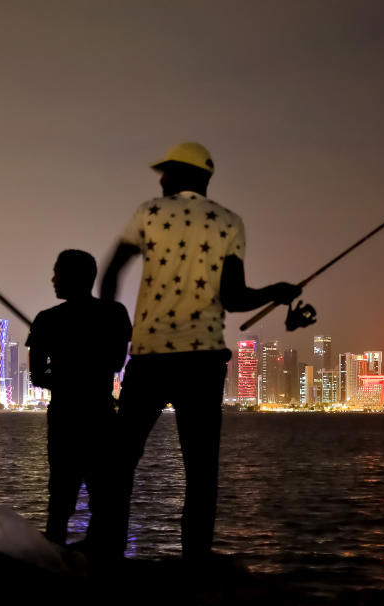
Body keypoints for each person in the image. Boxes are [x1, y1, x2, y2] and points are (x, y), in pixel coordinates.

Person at [99, 142, 311, 560]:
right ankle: (195, 560)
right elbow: (233, 298)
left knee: (119, 463)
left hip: (149, 357)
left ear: (186, 175)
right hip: (203, 362)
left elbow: (112, 272)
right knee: (201, 469)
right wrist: (278, 291)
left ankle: (108, 553)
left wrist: (115, 332)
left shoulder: (149, 212)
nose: (161, 179)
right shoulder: (230, 222)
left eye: (167, 172)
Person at [26, 249, 132, 548]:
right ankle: (102, 559)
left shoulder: (47, 320)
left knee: (60, 495)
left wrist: (62, 369)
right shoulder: (115, 314)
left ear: (71, 277)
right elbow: (114, 363)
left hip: (65, 417)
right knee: (104, 494)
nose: (53, 279)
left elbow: (37, 377)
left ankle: (55, 559)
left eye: (57, 272)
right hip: (100, 414)